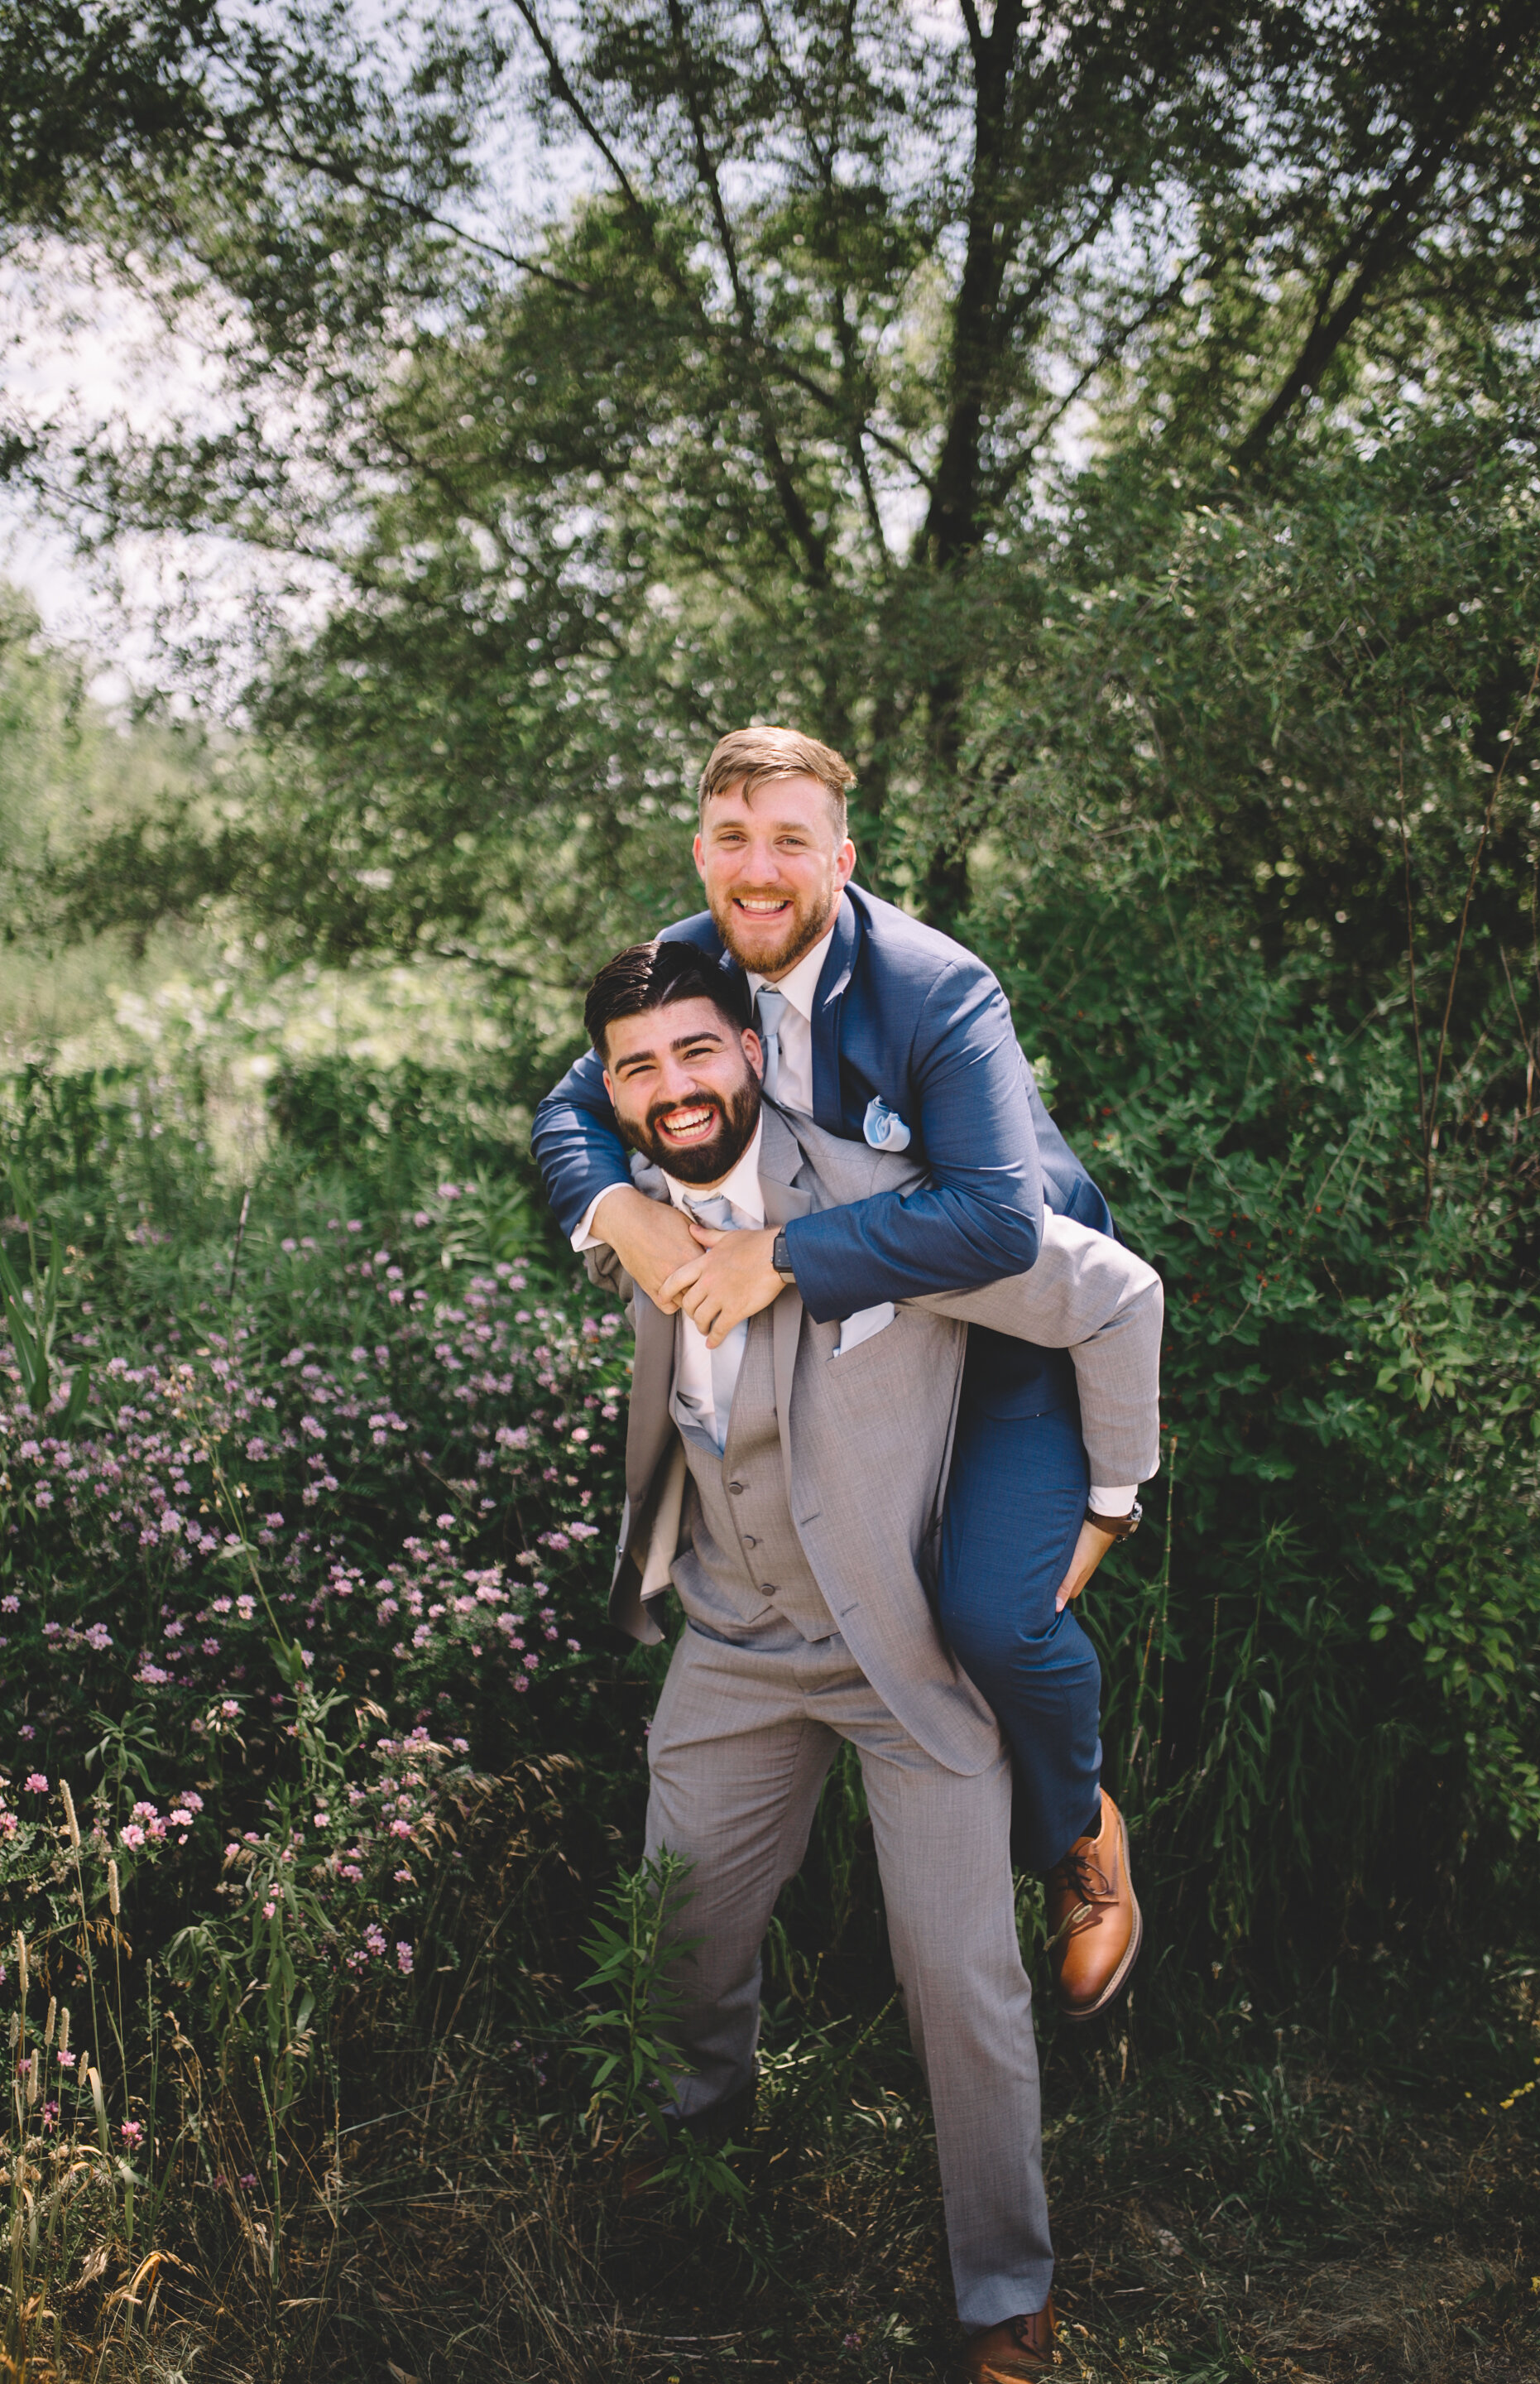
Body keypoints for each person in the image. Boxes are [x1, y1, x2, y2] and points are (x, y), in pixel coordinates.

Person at [566, 937, 1163, 2382]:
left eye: (699, 1052)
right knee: (685, 1929)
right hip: (736, 1639)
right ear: (610, 1091)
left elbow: (1116, 1296)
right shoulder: (627, 1209)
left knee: (959, 1974)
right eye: (639, 1067)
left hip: (906, 1657)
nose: (675, 1085)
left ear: (757, 1056)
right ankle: (688, 2155)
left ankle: (1003, 2289)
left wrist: (1108, 1503)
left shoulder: (893, 1204)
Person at [533, 725, 1155, 2006]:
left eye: (789, 842)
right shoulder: (695, 955)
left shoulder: (938, 986)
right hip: (861, 1339)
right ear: (700, 850)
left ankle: (1077, 1834)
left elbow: (994, 1217)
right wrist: (622, 1213)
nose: (758, 872)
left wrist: (786, 1254)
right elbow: (568, 1108)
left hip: (1009, 1333)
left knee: (988, 1611)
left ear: (843, 857)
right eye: (732, 841)